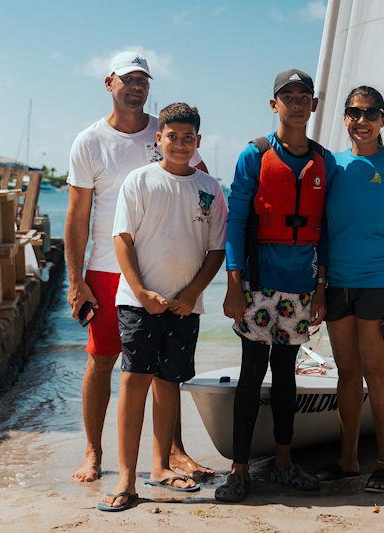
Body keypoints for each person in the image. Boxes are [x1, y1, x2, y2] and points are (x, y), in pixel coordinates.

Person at [65, 51, 212, 483]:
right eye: (128, 79)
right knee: (104, 358)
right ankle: (93, 451)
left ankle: (174, 451)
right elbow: (77, 217)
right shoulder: (89, 141)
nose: (136, 87)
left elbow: (199, 191)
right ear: (109, 82)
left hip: (167, 271)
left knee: (168, 367)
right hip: (109, 269)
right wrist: (76, 282)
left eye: (143, 81)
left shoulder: (168, 133)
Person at [98, 103, 226, 512]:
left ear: (198, 142)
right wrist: (140, 291)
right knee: (134, 382)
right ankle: (124, 476)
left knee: (169, 384)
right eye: (173, 136)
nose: (181, 144)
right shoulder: (139, 181)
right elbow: (122, 240)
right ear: (159, 139)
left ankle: (159, 466)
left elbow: (216, 249)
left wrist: (192, 294)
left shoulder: (209, 187)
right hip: (138, 303)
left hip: (185, 305)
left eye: (189, 138)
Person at [216, 68, 335, 502]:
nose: (297, 102)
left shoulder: (326, 161)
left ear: (314, 105)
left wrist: (322, 286)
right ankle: (239, 469)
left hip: (301, 285)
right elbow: (237, 222)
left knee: (287, 375)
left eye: (304, 96)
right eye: (288, 96)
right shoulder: (255, 155)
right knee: (252, 373)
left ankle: (284, 462)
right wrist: (233, 283)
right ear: (274, 105)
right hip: (258, 285)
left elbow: (326, 231)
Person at [315, 86, 384, 493]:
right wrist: (321, 286)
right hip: (338, 283)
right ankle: (347, 460)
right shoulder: (331, 164)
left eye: (370, 113)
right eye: (354, 113)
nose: (361, 120)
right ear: (345, 118)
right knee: (346, 374)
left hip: (379, 284)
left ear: (382, 119)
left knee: (377, 373)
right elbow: (322, 232)